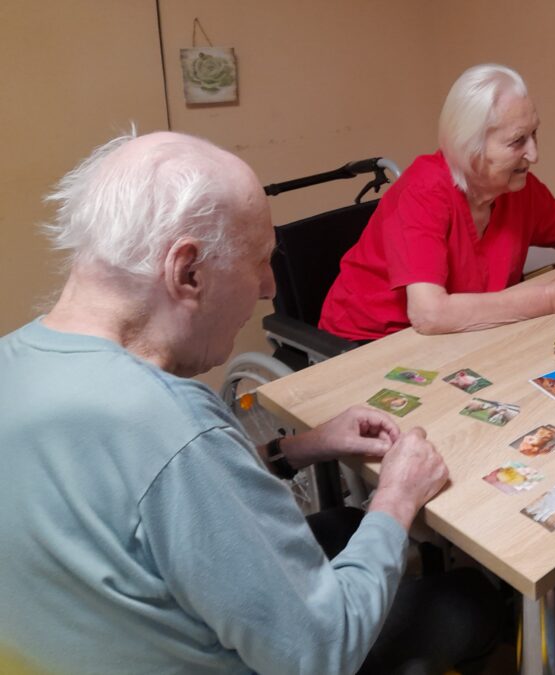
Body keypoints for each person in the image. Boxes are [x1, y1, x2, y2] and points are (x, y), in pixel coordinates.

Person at [0, 131, 496, 675]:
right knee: (470, 600)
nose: (267, 287)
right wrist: (397, 497)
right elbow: (324, 652)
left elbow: (138, 495)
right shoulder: (176, 429)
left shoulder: (15, 360)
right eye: (260, 261)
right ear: (187, 271)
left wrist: (300, 447)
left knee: (346, 524)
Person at [319, 63, 555, 341]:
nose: (534, 154)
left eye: (534, 135)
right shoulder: (424, 192)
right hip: (368, 343)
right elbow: (429, 314)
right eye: (518, 141)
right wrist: (548, 297)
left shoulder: (516, 186)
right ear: (470, 146)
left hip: (457, 336)